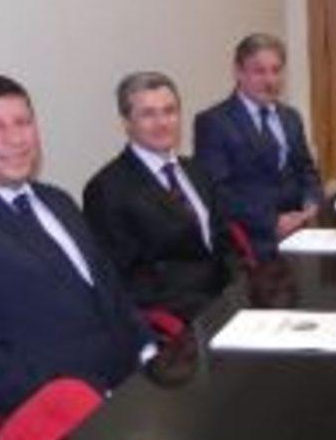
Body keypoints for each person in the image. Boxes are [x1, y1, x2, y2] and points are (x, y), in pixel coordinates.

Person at [0, 75, 153, 413]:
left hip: (133, 383)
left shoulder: (58, 201)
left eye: (23, 122)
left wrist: (149, 350)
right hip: (60, 414)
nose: (16, 139)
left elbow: (112, 293)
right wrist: (93, 399)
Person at [84, 72, 233, 320]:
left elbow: (222, 241)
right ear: (126, 122)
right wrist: (201, 312)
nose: (162, 123)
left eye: (169, 111)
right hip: (176, 321)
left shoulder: (196, 171)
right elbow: (125, 280)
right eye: (148, 114)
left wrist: (240, 290)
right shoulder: (106, 189)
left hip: (227, 302)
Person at [194, 33, 323, 261]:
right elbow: (217, 192)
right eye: (259, 71)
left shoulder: (291, 118)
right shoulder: (214, 122)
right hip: (253, 236)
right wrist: (272, 222)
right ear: (238, 72)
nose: (270, 80)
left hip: (303, 226)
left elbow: (306, 170)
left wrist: (311, 204)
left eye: (276, 70)